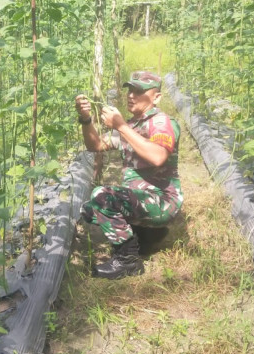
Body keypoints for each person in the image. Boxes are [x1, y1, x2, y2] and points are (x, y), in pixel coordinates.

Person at [74, 71, 182, 280]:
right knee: (89, 210)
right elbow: (95, 145)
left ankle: (128, 260)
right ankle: (147, 235)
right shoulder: (132, 125)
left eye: (139, 91)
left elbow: (158, 156)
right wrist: (86, 120)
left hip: (161, 200)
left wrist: (121, 126)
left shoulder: (160, 122)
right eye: (130, 90)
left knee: (102, 197)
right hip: (141, 199)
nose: (131, 95)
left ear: (156, 97)